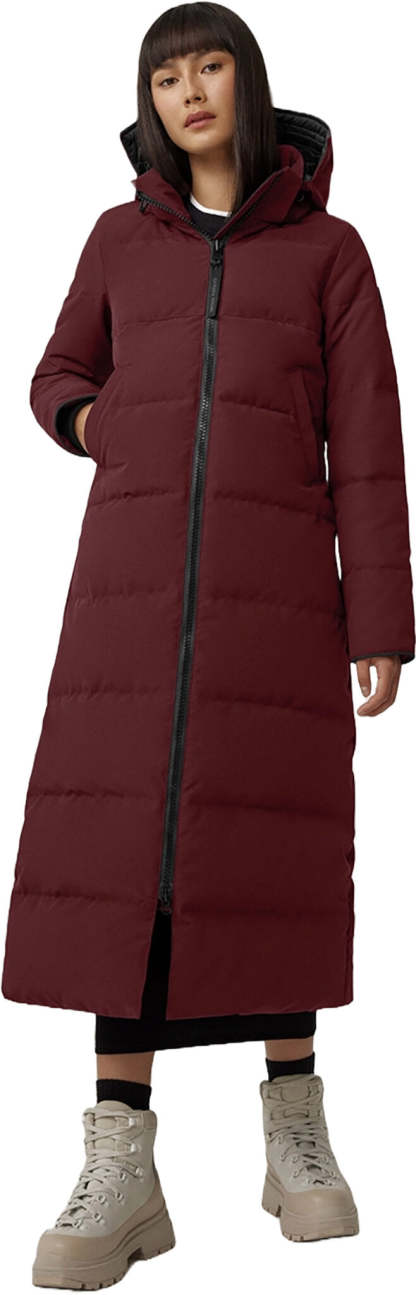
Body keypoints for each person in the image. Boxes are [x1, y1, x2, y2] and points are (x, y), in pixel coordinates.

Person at [2, 2, 415, 1284]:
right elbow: (56, 373)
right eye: (165, 75)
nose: (188, 92)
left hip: (279, 595)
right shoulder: (118, 240)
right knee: (120, 852)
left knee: (268, 841)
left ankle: (294, 1130)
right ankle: (120, 1156)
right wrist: (97, 425)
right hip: (128, 598)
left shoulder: (329, 253)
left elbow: (367, 444)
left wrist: (380, 619)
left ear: (247, 82)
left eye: (210, 66)